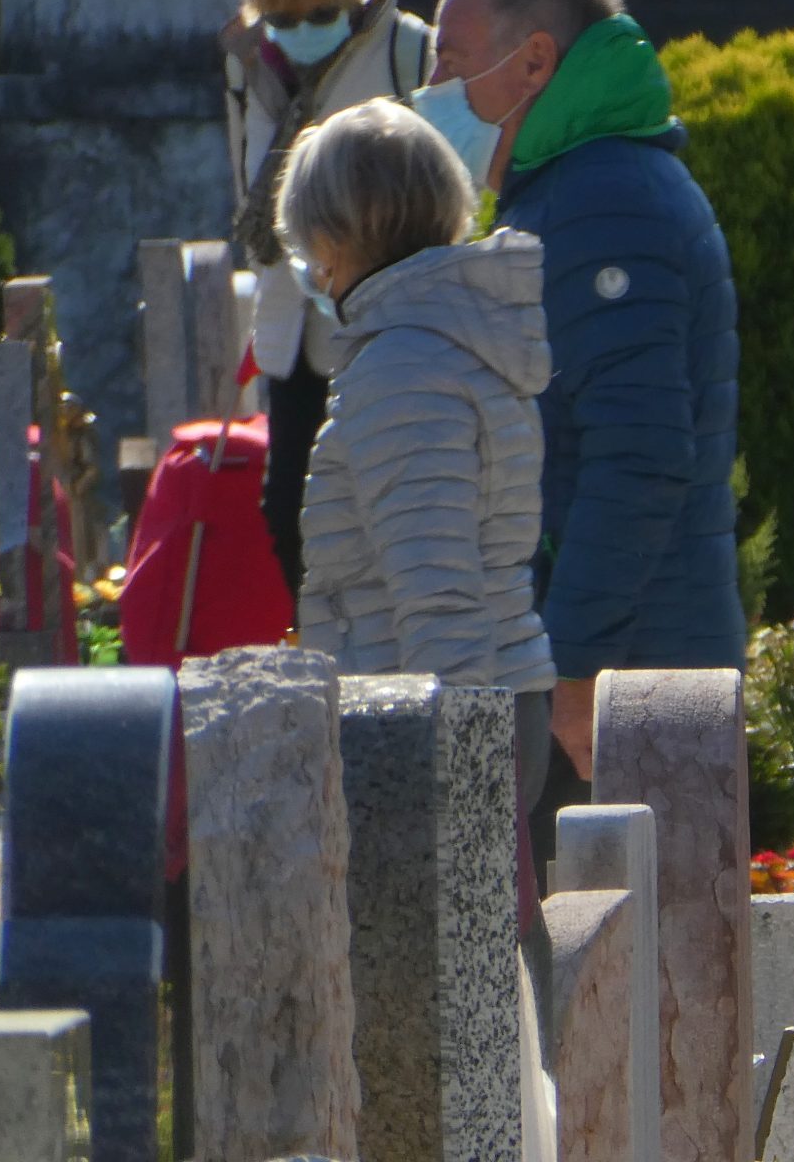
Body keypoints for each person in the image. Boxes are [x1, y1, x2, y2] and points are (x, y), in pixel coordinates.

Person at [420, 0, 743, 829]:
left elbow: (637, 458)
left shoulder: (601, 202)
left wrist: (571, 671)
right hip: (621, 667)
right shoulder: (579, 183)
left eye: (451, 58)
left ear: (533, 62)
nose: (434, 88)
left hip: (620, 685)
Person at [275, 98, 557, 990]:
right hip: (480, 696)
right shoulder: (444, 340)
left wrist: (460, 786)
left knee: (447, 1007)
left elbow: (437, 589)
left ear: (336, 237)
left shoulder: (405, 369)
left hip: (433, 712)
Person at [220, 0, 430, 598]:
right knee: (287, 512)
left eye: (320, 14)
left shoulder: (407, 51)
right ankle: (324, 656)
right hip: (294, 322)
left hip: (387, 318)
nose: (302, 32)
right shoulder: (248, 62)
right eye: (282, 18)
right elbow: (247, 184)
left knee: (389, 510)